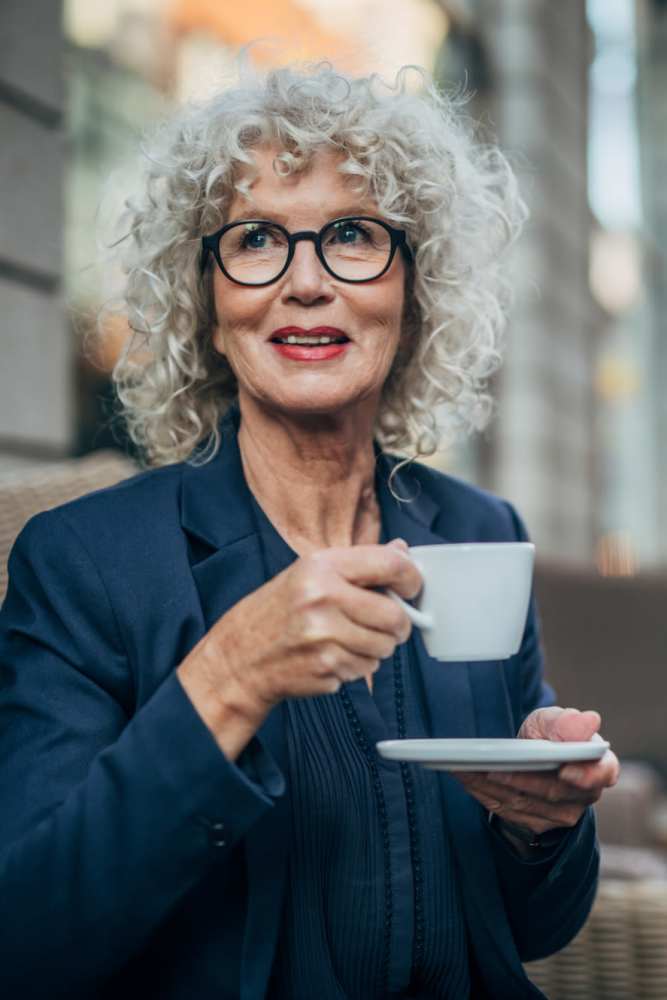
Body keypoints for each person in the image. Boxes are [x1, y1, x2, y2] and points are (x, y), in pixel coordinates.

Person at [0, 63, 618, 999]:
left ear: (411, 298)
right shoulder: (86, 563)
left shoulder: (476, 533)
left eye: (352, 235)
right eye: (255, 240)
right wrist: (230, 675)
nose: (305, 281)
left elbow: (533, 927)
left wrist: (542, 825)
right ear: (205, 306)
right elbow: (29, 942)